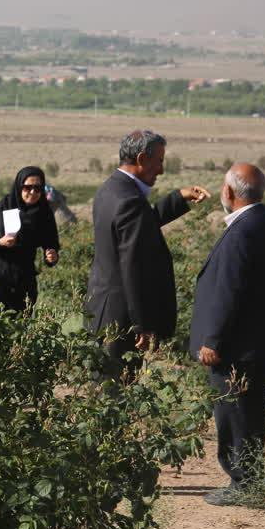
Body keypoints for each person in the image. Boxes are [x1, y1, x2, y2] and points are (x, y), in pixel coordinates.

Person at [189, 164, 265, 505]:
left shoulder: (242, 232)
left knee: (234, 413)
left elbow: (229, 291)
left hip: (233, 345)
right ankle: (250, 479)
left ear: (230, 193)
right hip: (259, 339)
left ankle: (243, 483)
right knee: (251, 411)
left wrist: (213, 340)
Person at [85, 130, 210, 375]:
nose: (161, 170)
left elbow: (140, 226)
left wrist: (177, 198)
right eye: (159, 161)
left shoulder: (111, 189)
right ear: (142, 158)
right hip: (122, 320)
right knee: (114, 396)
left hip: (104, 312)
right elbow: (132, 266)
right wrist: (141, 323)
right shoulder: (129, 200)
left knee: (104, 393)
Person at [0, 166, 60, 312]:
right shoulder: (4, 206)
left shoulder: (44, 213)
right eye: (28, 188)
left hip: (24, 280)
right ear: (19, 186)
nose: (33, 192)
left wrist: (51, 256)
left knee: (21, 328)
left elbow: (51, 244)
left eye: (38, 188)